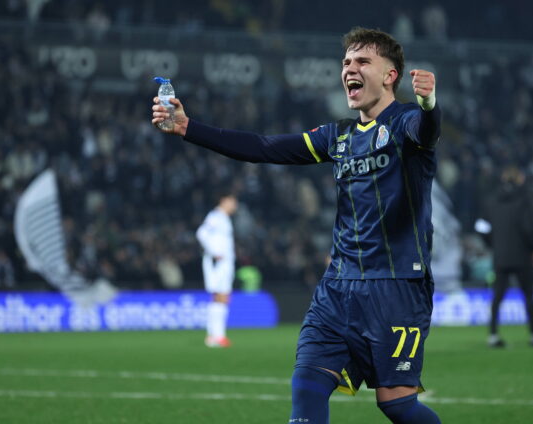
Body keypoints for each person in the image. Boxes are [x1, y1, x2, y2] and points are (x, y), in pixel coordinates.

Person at [152, 27, 442, 423]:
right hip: (337, 289)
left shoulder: (407, 121)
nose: (349, 69)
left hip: (394, 287)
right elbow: (264, 147)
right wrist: (189, 128)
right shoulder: (336, 136)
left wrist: (428, 104)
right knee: (306, 387)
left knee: (396, 404)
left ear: (390, 75)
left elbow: (426, 132)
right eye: (346, 62)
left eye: (362, 62)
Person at [475, 166, 533, 348]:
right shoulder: (524, 200)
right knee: (529, 295)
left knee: (497, 297)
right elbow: (529, 228)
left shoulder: (492, 200)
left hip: (501, 255)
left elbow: (481, 227)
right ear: (519, 179)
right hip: (522, 255)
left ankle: (493, 334)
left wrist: (493, 243)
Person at [196, 191, 239, 348]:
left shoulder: (223, 218)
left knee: (221, 297)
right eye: (232, 201)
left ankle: (214, 336)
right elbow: (201, 233)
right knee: (221, 296)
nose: (235, 205)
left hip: (225, 262)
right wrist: (215, 252)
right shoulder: (216, 216)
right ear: (224, 200)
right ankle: (217, 335)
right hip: (218, 263)